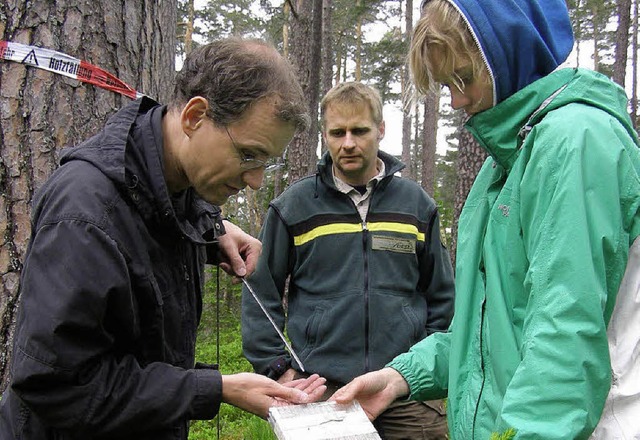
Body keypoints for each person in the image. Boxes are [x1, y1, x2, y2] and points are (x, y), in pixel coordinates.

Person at [331, 0, 640, 439]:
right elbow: (485, 332)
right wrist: (400, 377)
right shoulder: (505, 164)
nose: (457, 101)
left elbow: (564, 338)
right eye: (446, 85)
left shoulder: (575, 142)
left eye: (464, 78)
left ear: (510, 51)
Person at [0, 37, 327, 440]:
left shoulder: (176, 184)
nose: (256, 180)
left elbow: (151, 224)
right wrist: (216, 388)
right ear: (194, 117)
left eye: (266, 162)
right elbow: (55, 384)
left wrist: (212, 229)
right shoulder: (84, 215)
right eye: (247, 155)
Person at [241, 81, 455, 439]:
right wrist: (280, 370)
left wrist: (420, 367)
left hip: (406, 392)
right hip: (324, 392)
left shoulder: (417, 206)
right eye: (337, 132)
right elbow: (259, 295)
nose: (348, 143)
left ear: (381, 130)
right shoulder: (294, 207)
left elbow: (442, 297)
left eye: (360, 130)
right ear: (325, 135)